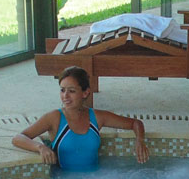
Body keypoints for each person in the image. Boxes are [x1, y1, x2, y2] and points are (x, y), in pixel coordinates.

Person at [12, 66, 148, 170]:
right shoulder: (54, 118)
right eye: (62, 90)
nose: (65, 96)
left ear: (85, 93)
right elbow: (18, 138)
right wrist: (40, 147)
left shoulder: (97, 117)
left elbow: (135, 123)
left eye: (71, 91)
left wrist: (140, 140)